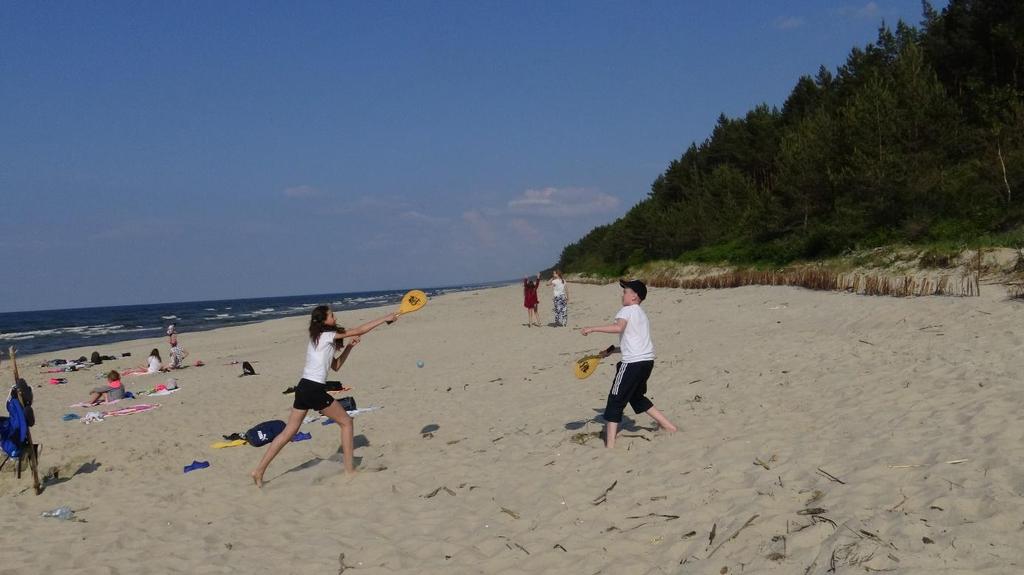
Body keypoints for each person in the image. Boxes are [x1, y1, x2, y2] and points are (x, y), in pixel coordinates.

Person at [251, 305, 399, 487]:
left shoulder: (320, 339)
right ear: (323, 321)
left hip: (303, 387)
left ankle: (258, 471)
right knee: (346, 422)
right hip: (313, 389)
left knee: (289, 431)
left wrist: (350, 347)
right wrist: (385, 318)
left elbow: (336, 366)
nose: (335, 317)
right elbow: (359, 330)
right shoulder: (326, 336)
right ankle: (350, 470)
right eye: (332, 315)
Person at [580, 279, 677, 448]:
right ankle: (670, 427)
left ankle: (610, 444)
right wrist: (612, 351)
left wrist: (592, 328)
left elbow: (618, 328)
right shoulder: (641, 314)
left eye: (625, 291)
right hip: (646, 362)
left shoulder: (626, 310)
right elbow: (635, 342)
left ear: (634, 296)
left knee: (615, 400)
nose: (622, 294)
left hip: (632, 364)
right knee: (636, 397)